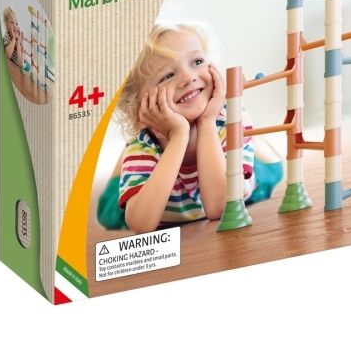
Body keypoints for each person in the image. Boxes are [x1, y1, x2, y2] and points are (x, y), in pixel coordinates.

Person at [97, 23, 283, 233]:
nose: (188, 77)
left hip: (245, 179)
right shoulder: (143, 146)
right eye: (167, 76)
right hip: (155, 174)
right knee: (109, 210)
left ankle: (257, 143)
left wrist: (207, 122)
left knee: (272, 169)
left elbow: (221, 207)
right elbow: (141, 224)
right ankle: (121, 165)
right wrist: (178, 135)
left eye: (197, 62)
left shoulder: (231, 118)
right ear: (140, 109)